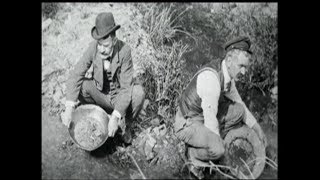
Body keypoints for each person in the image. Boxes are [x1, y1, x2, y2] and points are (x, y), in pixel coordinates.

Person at [173, 36, 267, 179]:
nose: (244, 72)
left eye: (246, 67)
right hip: (187, 123)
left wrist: (257, 129)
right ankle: (192, 154)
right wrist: (224, 158)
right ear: (229, 60)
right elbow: (211, 122)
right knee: (218, 149)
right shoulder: (211, 79)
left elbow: (240, 104)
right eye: (241, 66)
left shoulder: (227, 74)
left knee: (239, 111)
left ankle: (209, 143)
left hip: (202, 116)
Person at [61, 12, 145, 144]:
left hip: (118, 96)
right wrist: (69, 107)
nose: (101, 49)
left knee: (138, 93)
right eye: (99, 44)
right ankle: (97, 114)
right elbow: (76, 73)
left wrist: (116, 116)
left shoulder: (125, 51)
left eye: (105, 46)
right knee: (81, 85)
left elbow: (126, 89)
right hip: (101, 94)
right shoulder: (94, 48)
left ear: (114, 41)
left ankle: (126, 125)